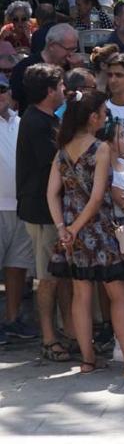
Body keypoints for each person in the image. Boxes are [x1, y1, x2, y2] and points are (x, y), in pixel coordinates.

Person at [49, 91, 124, 376]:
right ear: (93, 117)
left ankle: (87, 361)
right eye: (103, 113)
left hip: (72, 234)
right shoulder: (99, 148)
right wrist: (75, 227)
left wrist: (64, 227)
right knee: (120, 296)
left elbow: (51, 193)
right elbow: (98, 196)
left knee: (81, 294)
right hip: (98, 230)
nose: (105, 117)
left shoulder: (62, 148)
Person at [15, 64, 69, 361]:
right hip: (42, 212)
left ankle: (64, 332)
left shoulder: (44, 119)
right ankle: (49, 339)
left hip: (50, 211)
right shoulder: (35, 122)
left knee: (57, 276)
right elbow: (54, 166)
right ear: (50, 91)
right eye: (61, 86)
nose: (64, 91)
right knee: (47, 278)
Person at [0, 71, 31, 345]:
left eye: (2, 90)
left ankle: (12, 319)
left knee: (17, 266)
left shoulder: (22, 123)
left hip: (21, 206)